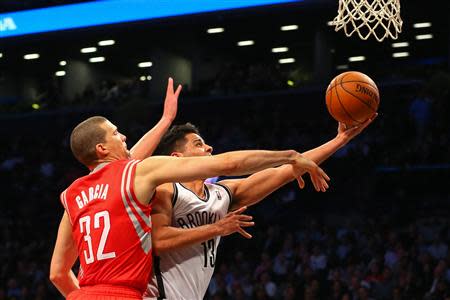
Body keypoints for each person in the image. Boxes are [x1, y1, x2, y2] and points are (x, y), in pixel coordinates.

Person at [49, 80, 330, 299]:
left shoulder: (72, 196)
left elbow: (58, 273)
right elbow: (230, 162)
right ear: (101, 148)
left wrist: (165, 121)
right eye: (115, 133)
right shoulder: (139, 173)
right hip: (127, 293)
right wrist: (290, 155)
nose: (122, 136)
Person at [145, 115, 376, 300]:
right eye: (198, 144)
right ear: (177, 157)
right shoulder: (166, 190)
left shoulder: (222, 193)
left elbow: (284, 172)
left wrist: (339, 140)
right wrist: (216, 228)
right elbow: (158, 240)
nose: (209, 148)